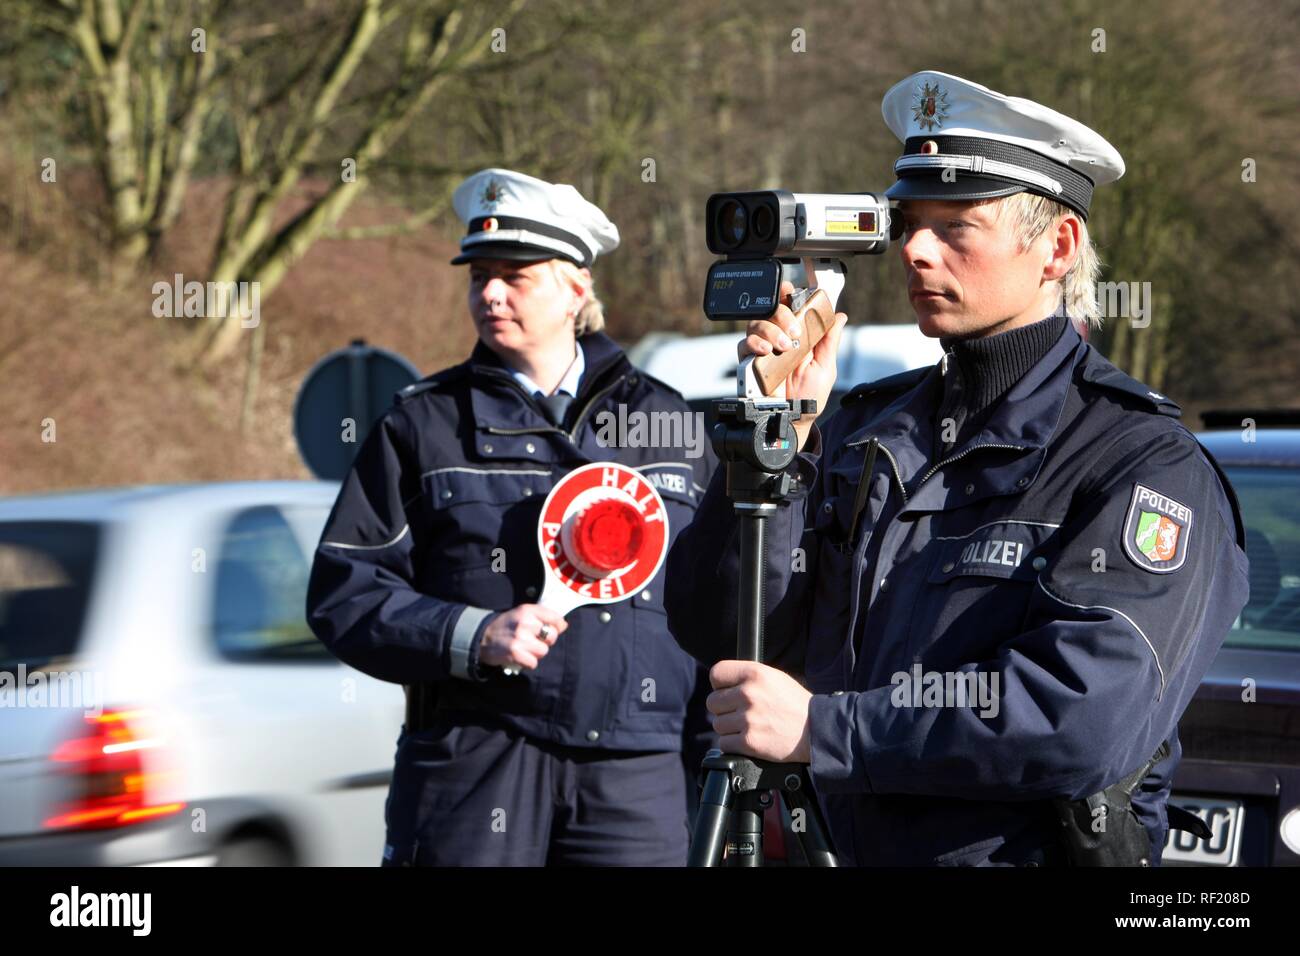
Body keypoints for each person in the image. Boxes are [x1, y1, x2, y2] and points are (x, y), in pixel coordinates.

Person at [664, 71, 1249, 866]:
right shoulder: (861, 425)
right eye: (909, 222)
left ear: (1058, 246)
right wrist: (782, 443)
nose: (915, 248)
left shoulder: (1137, 459)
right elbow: (719, 629)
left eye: (956, 226)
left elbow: (1085, 721)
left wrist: (826, 731)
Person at [307, 168, 716, 866]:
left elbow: (722, 601)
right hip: (478, 761)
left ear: (576, 289)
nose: (490, 293)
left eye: (516, 276)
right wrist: (474, 634)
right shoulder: (422, 426)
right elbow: (346, 594)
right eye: (479, 277)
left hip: (639, 775)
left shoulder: (673, 423)